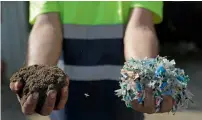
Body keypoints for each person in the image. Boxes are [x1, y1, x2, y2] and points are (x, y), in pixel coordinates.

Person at [10, 1, 173, 120]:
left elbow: (140, 24)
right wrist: (38, 74)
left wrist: (144, 72)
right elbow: (46, 23)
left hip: (125, 99)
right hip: (66, 99)